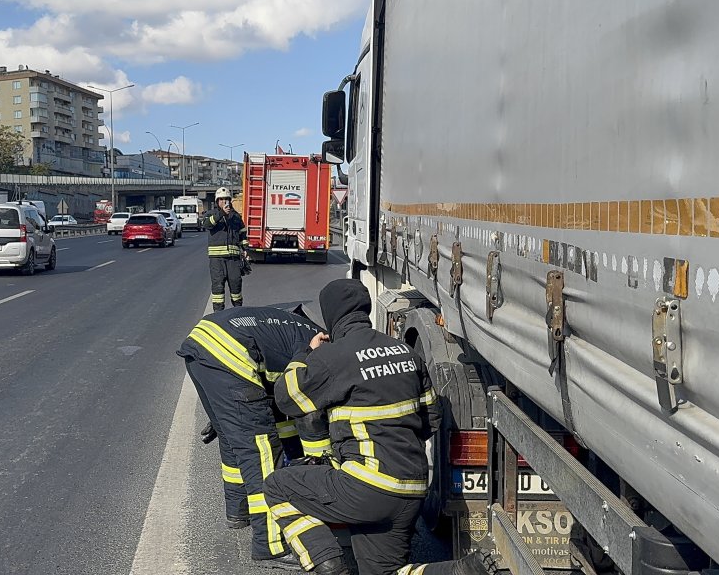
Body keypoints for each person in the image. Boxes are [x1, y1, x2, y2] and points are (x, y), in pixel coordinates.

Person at [265, 279, 495, 575]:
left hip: (366, 488)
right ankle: (460, 571)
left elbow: (287, 398)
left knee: (278, 486)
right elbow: (432, 418)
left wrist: (304, 354)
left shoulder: (332, 356)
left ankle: (328, 562)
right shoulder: (405, 353)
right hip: (411, 489)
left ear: (331, 315)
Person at [177, 305, 333, 570]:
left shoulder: (300, 330)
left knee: (232, 439)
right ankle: (270, 545)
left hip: (202, 343)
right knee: (261, 449)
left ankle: (239, 511)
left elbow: (280, 400)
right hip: (230, 353)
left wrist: (227, 412)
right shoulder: (323, 349)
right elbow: (309, 415)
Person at [204, 187, 248, 311]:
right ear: (217, 201)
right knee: (218, 287)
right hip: (217, 259)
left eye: (226, 199)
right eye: (221, 199)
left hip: (233, 259)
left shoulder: (236, 217)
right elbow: (207, 225)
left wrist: (245, 248)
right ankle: (218, 314)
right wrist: (221, 213)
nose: (224, 201)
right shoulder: (211, 214)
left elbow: (242, 233)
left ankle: (237, 311)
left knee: (236, 284)